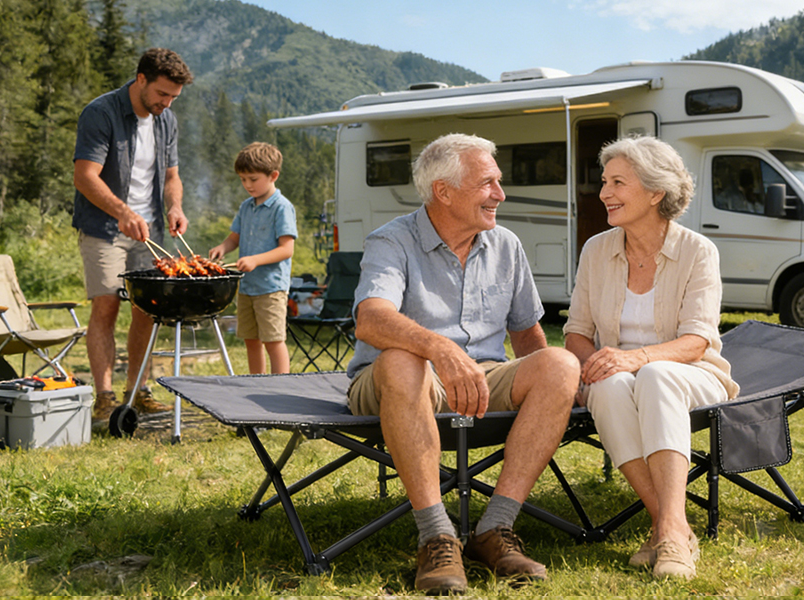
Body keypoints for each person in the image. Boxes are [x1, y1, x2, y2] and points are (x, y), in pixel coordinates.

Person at [346, 133, 579, 594]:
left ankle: (495, 528)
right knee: (401, 359)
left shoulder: (506, 245)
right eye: (488, 183)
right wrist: (441, 350)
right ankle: (436, 537)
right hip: (396, 381)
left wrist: (556, 392)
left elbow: (528, 335)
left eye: (499, 182)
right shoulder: (392, 240)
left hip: (482, 378)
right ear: (444, 192)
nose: (500, 194)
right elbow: (371, 319)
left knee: (561, 363)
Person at [564, 136, 738, 579]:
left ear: (656, 192)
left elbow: (697, 341)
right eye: (605, 181)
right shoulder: (596, 251)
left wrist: (633, 358)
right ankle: (672, 528)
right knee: (608, 383)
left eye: (618, 182)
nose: (604, 193)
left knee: (657, 374)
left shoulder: (698, 251)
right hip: (620, 379)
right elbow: (576, 334)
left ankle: (668, 530)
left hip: (692, 374)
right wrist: (598, 365)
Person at [72, 48, 194, 421]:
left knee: (148, 308)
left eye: (173, 97)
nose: (166, 103)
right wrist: (123, 211)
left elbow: (171, 177)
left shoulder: (166, 120)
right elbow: (85, 176)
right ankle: (105, 396)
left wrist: (174, 207)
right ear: (141, 80)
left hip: (150, 229)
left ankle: (137, 389)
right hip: (105, 227)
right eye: (162, 94)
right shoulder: (101, 113)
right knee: (106, 305)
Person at [207, 142, 297, 374]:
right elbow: (234, 238)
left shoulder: (281, 207)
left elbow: (286, 249)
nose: (247, 185)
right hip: (247, 287)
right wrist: (222, 248)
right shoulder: (246, 207)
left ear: (273, 175)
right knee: (251, 340)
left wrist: (255, 260)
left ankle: (280, 387)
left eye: (253, 179)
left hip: (271, 288)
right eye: (243, 179)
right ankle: (255, 382)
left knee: (273, 341)